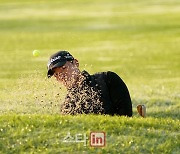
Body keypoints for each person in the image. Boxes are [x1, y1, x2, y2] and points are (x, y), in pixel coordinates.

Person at [47, 50, 135, 117]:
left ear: (75, 63)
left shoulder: (108, 79)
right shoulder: (67, 105)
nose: (62, 76)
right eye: (57, 74)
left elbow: (126, 117)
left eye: (63, 68)